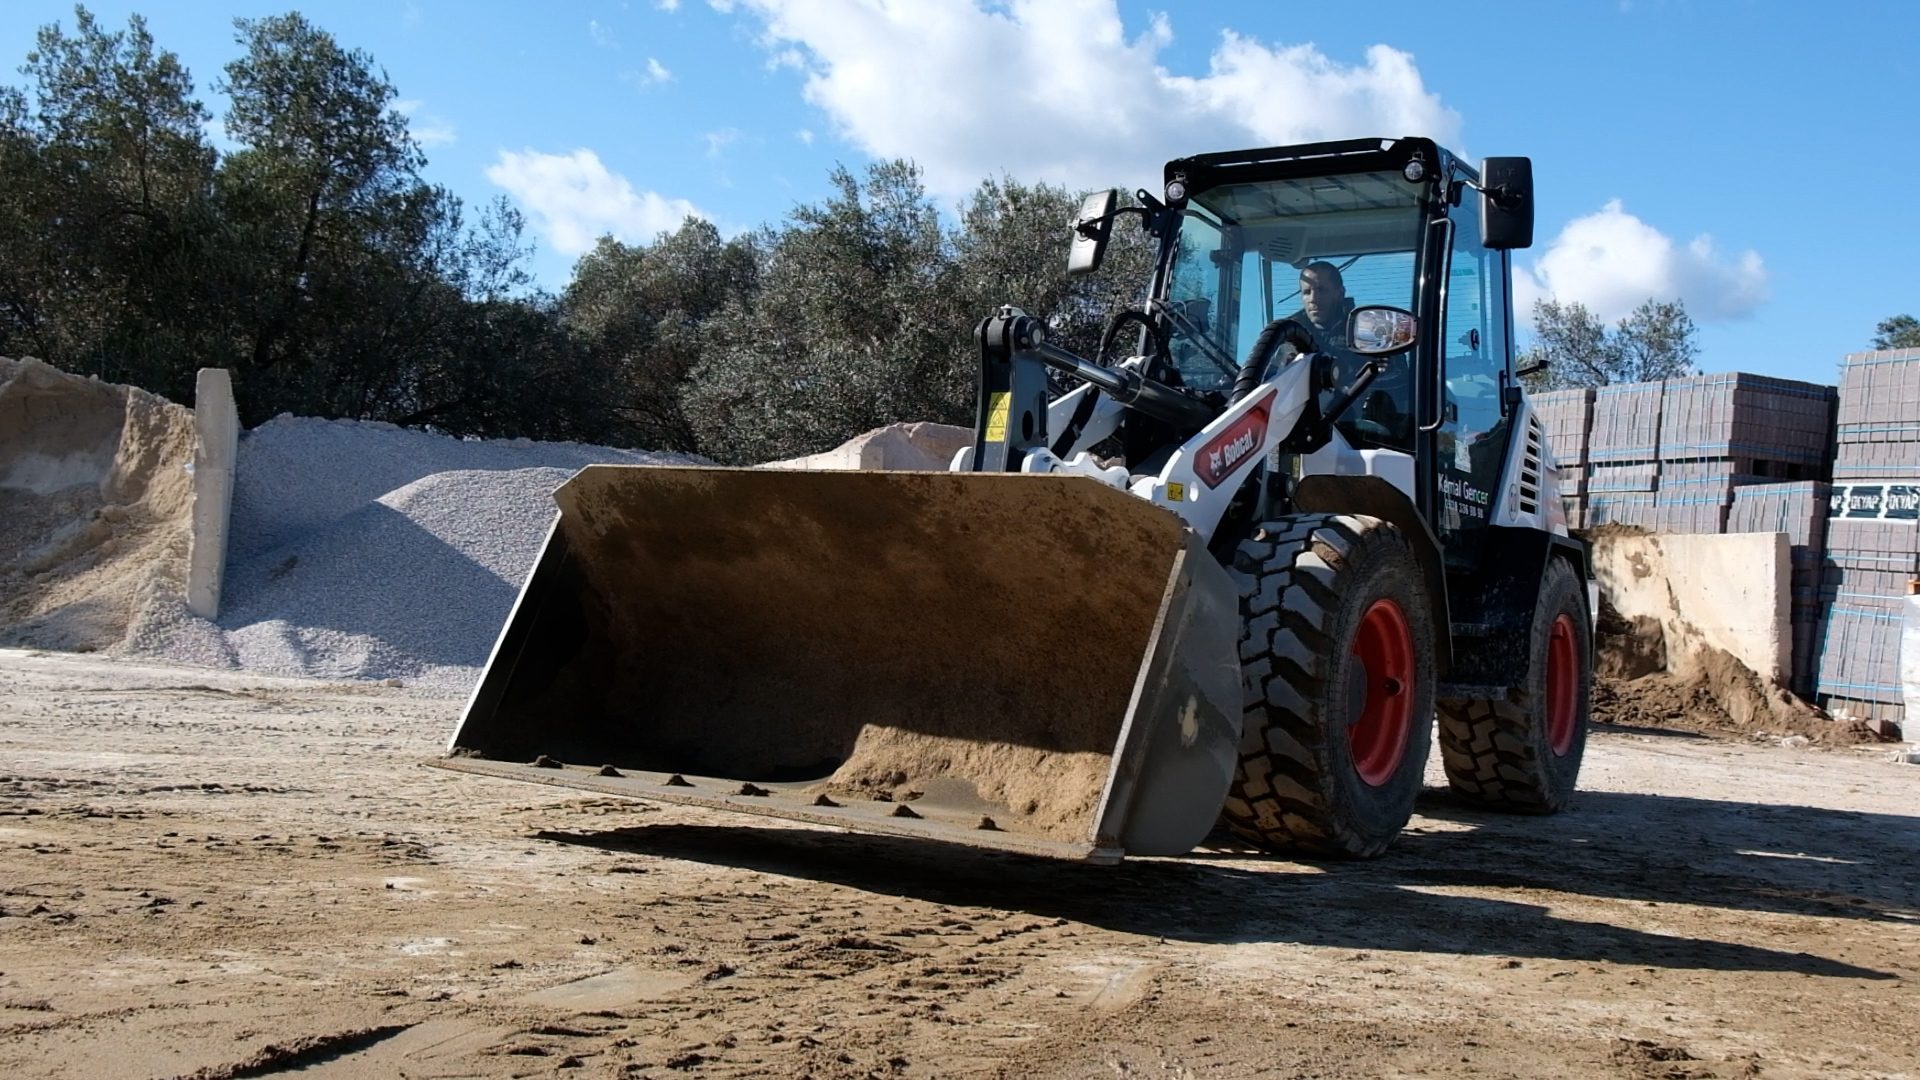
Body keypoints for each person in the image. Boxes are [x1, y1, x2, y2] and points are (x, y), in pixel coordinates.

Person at [1282, 261, 1413, 447]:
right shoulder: (1285, 337)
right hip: (1299, 436)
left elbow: (1400, 388)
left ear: (1340, 293)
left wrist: (1349, 376)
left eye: (1321, 290)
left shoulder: (1373, 331)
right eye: (1307, 292)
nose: (1313, 299)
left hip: (1364, 437)